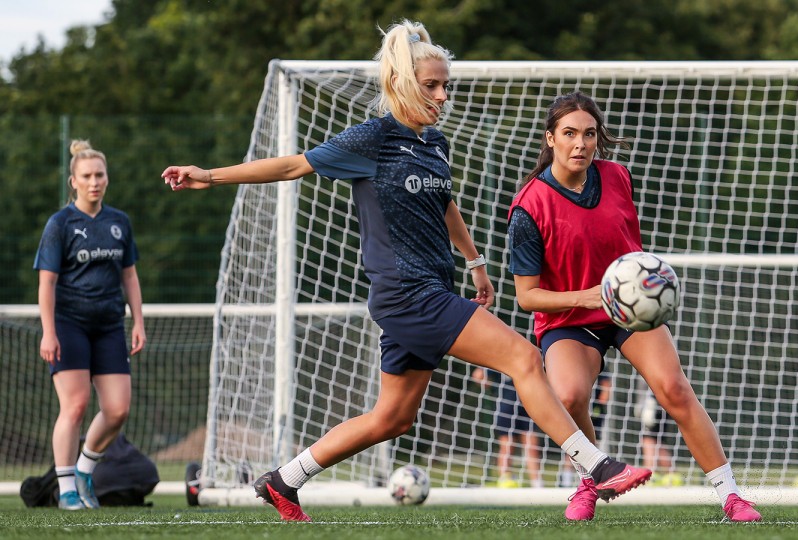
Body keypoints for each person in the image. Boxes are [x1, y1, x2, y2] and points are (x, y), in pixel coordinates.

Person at [161, 20, 650, 522]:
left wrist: (476, 262)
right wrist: (210, 175)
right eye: (431, 85)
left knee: (392, 418)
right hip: (406, 295)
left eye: (445, 86)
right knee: (524, 359)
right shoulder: (372, 138)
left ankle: (284, 480)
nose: (441, 96)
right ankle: (597, 464)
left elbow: (445, 205)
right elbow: (292, 166)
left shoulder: (434, 144)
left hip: (433, 288)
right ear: (401, 83)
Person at [507, 91, 762, 522]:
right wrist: (586, 296)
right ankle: (590, 482)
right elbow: (527, 296)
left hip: (629, 310)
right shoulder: (529, 207)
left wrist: (646, 281)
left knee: (674, 390)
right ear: (550, 138)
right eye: (569, 134)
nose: (580, 144)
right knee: (568, 395)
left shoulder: (619, 176)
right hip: (569, 317)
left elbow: (626, 247)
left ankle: (732, 496)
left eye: (589, 134)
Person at [34, 139, 146, 510]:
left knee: (117, 410)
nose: (94, 181)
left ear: (107, 179)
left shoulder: (120, 222)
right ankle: (66, 489)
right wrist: (49, 331)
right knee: (76, 405)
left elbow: (129, 276)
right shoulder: (60, 224)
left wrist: (138, 322)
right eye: (87, 176)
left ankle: (84, 471)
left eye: (100, 175)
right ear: (74, 182)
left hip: (110, 325)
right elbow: (46, 283)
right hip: (68, 324)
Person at [471, 368, 543, 488]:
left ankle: (537, 484)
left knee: (532, 446)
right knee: (507, 446)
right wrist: (490, 386)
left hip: (529, 403)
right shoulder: (502, 356)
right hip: (506, 406)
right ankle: (505, 479)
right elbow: (478, 374)